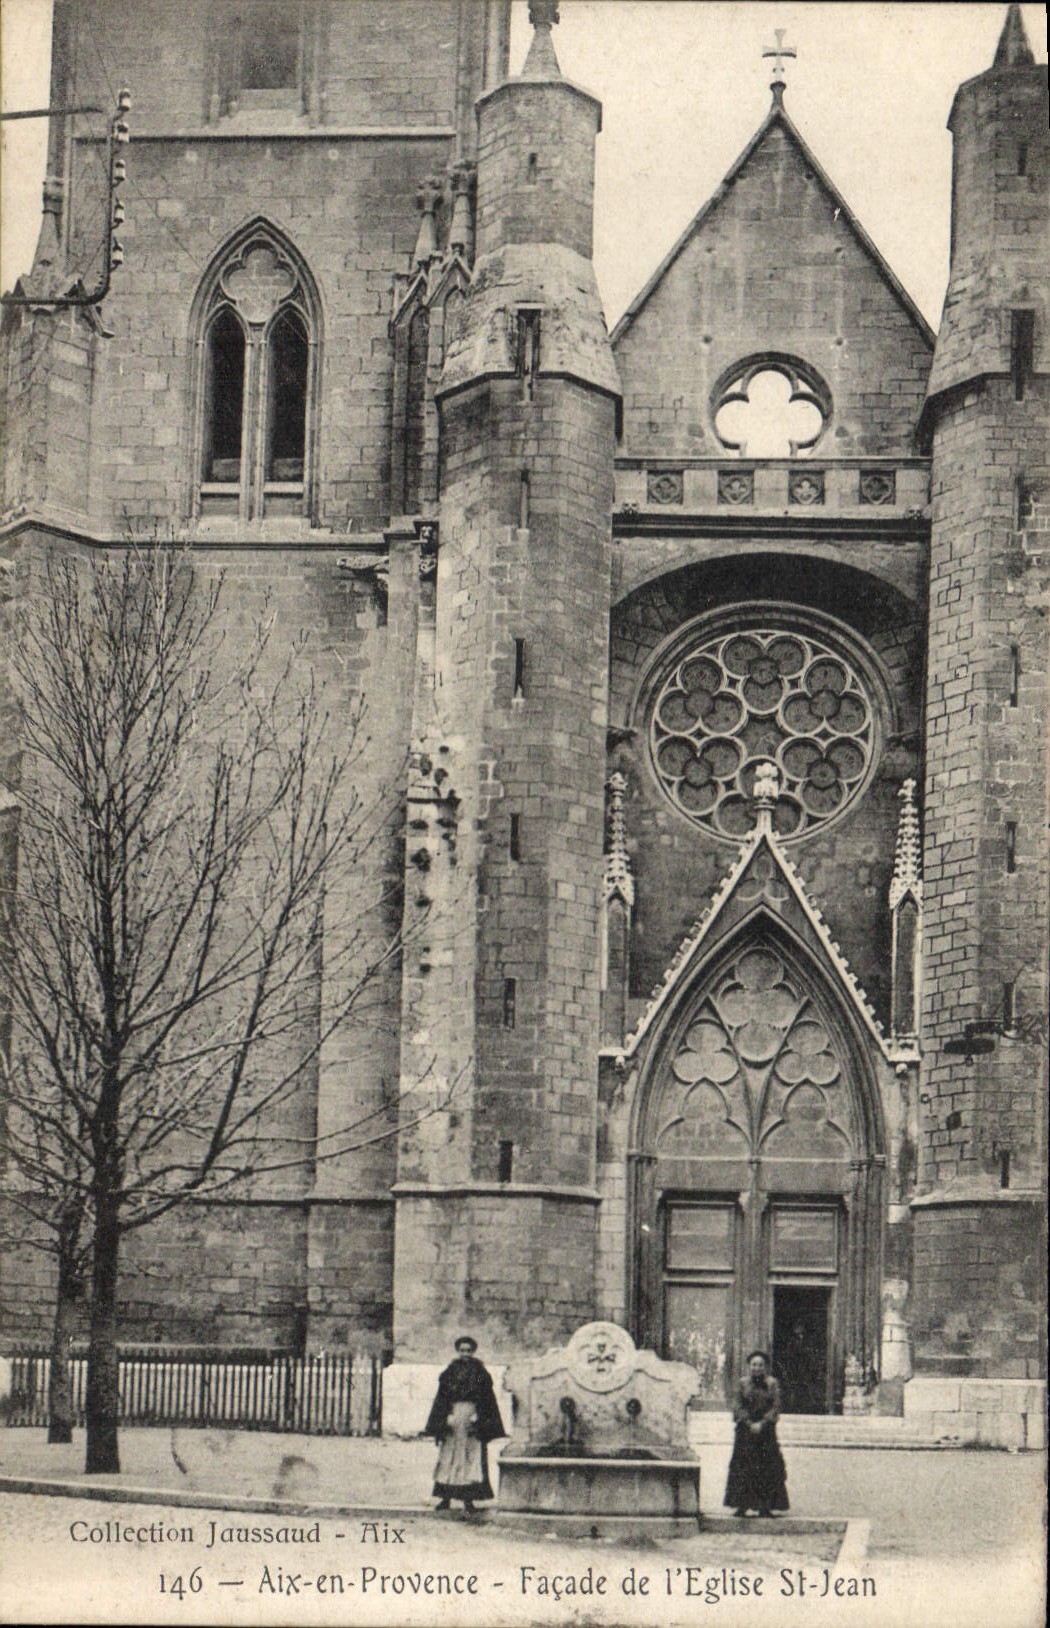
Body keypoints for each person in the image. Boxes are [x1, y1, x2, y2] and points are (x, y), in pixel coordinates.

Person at [424, 1335, 506, 1514]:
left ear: (473, 1351)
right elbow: (442, 1398)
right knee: (449, 1457)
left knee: (471, 1457)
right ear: (457, 1351)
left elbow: (486, 1399)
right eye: (462, 1351)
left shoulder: (480, 1373)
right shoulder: (449, 1372)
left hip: (472, 1420)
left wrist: (479, 1416)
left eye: (468, 1351)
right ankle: (445, 1499)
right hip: (453, 1419)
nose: (465, 1354)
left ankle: (468, 1500)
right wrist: (444, 1417)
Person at [724, 1349, 789, 1518]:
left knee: (767, 1468)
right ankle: (742, 1505)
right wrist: (748, 1422)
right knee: (743, 1467)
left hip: (765, 1433)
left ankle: (765, 1506)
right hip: (745, 1432)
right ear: (749, 1366)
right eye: (754, 1364)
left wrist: (763, 1423)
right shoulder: (742, 1384)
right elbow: (737, 1405)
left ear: (765, 1367)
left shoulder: (772, 1384)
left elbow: (776, 1405)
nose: (757, 1368)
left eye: (760, 1365)